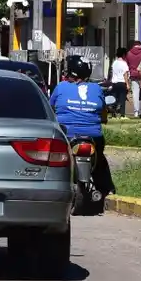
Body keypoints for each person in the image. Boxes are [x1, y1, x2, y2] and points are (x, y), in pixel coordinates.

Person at [49, 55, 114, 196]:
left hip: (67, 134)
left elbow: (50, 108)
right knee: (100, 159)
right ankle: (107, 189)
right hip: (93, 135)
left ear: (70, 72)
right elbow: (103, 113)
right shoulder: (96, 89)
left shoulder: (61, 87)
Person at [124, 39, 141, 117]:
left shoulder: (129, 53)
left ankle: (136, 111)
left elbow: (126, 65)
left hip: (133, 75)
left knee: (135, 94)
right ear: (140, 45)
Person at [107, 47, 130, 117]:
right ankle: (122, 114)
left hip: (114, 82)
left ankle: (113, 113)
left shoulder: (114, 63)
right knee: (122, 98)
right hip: (122, 82)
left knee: (114, 98)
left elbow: (112, 73)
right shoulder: (124, 63)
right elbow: (125, 74)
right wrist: (127, 84)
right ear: (123, 55)